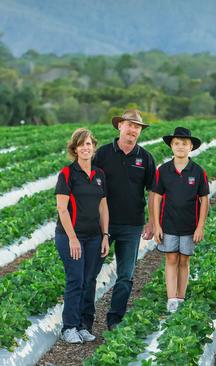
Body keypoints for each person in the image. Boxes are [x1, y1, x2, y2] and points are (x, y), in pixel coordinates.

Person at [93, 109, 156, 330]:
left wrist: (151, 221)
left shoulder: (145, 157)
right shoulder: (102, 154)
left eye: (137, 127)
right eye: (129, 125)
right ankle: (84, 320)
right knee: (91, 272)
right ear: (120, 126)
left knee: (126, 275)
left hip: (132, 224)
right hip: (103, 224)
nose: (133, 130)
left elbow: (153, 191)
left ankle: (114, 319)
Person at [55, 128, 110, 343]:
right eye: (81, 144)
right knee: (75, 280)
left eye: (89, 144)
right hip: (70, 237)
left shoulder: (99, 175)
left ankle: (83, 325)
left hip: (95, 236)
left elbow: (103, 207)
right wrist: (72, 238)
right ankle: (69, 327)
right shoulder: (67, 174)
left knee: (89, 280)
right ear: (75, 149)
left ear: (94, 147)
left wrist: (105, 234)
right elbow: (62, 209)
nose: (86, 148)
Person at [153, 127, 209, 313]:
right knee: (170, 258)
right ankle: (171, 299)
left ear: (191, 146)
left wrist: (200, 226)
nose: (180, 146)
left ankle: (181, 296)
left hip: (189, 225)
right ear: (171, 146)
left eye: (184, 143)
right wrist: (156, 224)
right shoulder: (163, 170)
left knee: (184, 260)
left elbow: (204, 200)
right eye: (176, 143)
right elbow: (157, 198)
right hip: (168, 223)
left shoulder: (198, 171)